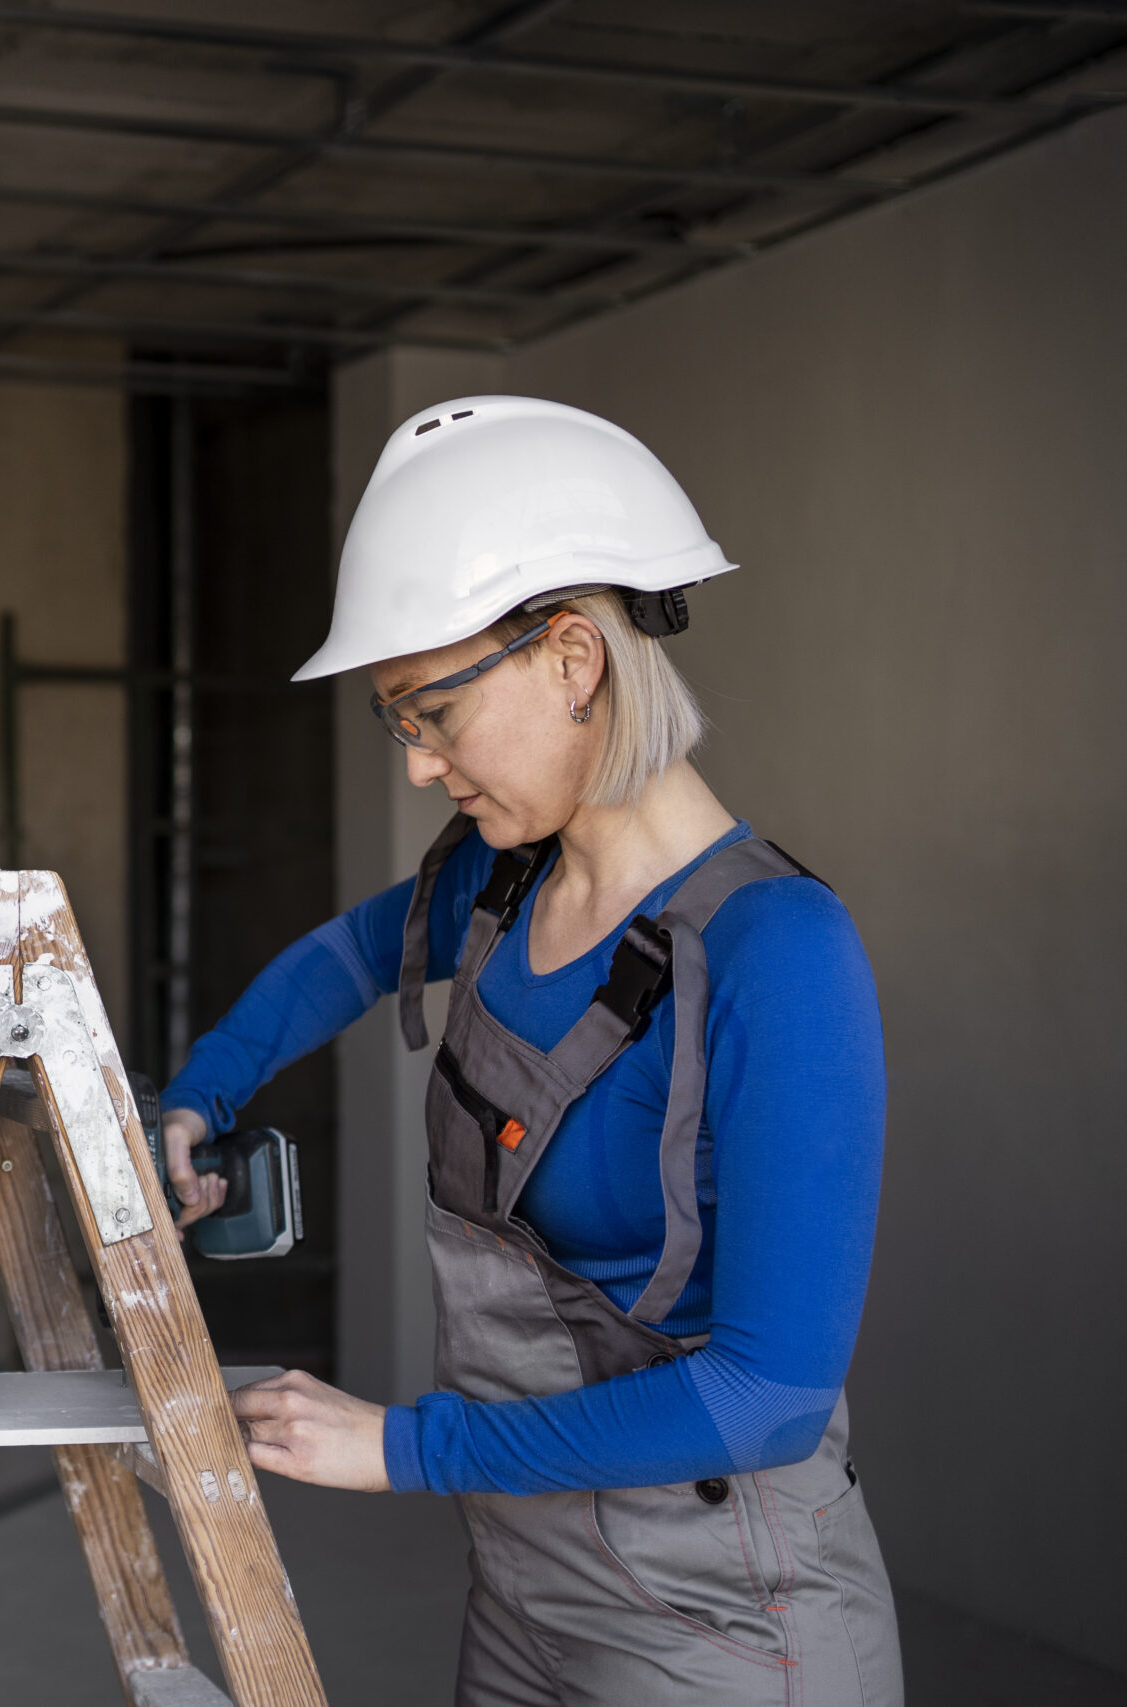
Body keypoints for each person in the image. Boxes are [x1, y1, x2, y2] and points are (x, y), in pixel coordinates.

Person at [161, 399, 901, 1704]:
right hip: (521, 1585)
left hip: (723, 1620)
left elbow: (771, 1393)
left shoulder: (779, 950)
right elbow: (343, 958)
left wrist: (405, 1445)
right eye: (403, 721)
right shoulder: (505, 888)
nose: (421, 765)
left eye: (430, 713)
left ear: (573, 658)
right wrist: (198, 1091)